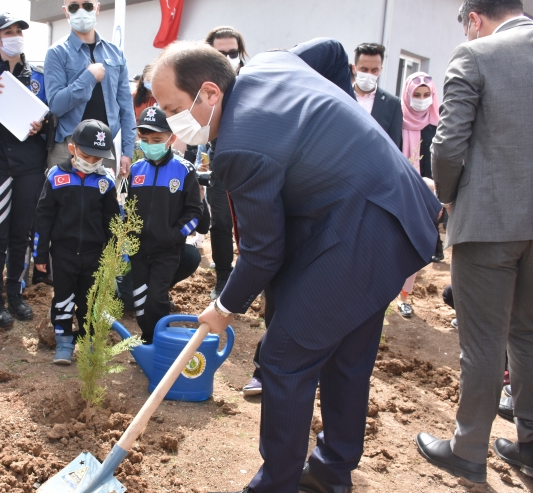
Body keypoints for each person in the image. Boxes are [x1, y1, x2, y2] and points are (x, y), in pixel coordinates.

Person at [150, 41, 440, 493]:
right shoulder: (270, 63)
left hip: (359, 231)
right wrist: (348, 124)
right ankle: (331, 471)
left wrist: (224, 307)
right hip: (390, 208)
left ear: (209, 93)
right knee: (347, 356)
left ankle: (277, 484)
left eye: (173, 109)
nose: (171, 126)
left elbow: (264, 252)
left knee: (284, 357)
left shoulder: (240, 147)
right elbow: (329, 51)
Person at [416, 0, 533, 483]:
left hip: (488, 219)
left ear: (474, 19)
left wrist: (444, 196)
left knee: (484, 341)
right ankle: (529, 442)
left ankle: (467, 449)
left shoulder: (477, 55)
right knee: (528, 334)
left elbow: (447, 143)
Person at [242, 38, 358, 397]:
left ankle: (311, 372)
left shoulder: (265, 84)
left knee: (328, 296)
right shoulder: (237, 122)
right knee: (279, 287)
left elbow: (333, 50)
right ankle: (269, 370)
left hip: (331, 207)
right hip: (286, 207)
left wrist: (279, 63)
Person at [0, 13, 49, 327]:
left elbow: (52, 114)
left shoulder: (40, 76)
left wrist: (43, 123)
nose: (15, 36)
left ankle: (15, 292)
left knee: (21, 236)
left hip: (30, 166)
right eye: (7, 32)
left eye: (19, 31)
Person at [33, 120, 119, 365]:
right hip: (63, 254)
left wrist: (113, 254)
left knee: (89, 300)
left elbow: (112, 221)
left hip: (95, 255)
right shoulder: (56, 177)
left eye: (97, 159)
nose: (91, 163)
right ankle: (63, 341)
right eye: (86, 156)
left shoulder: (105, 182)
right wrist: (40, 256)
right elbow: (43, 219)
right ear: (72, 149)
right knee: (63, 298)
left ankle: (89, 340)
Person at [128, 106, 202, 344]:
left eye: (157, 139)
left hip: (167, 251)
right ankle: (147, 338)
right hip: (138, 251)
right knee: (140, 299)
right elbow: (127, 209)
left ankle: (158, 341)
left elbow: (195, 212)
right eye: (145, 139)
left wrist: (174, 235)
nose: (150, 144)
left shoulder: (184, 170)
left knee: (156, 298)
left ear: (172, 138)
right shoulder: (135, 170)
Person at [44, 0, 135, 178]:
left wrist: (127, 151)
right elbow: (56, 105)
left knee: (105, 204)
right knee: (64, 203)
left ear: (97, 8)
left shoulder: (115, 53)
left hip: (106, 146)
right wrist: (89, 77)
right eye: (73, 7)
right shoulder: (56, 52)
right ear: (65, 11)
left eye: (87, 6)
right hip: (69, 146)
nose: (81, 11)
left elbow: (126, 107)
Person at [200, 26, 249, 300]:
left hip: (251, 160)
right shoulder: (202, 86)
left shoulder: (252, 80)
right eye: (221, 53)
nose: (228, 58)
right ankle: (223, 279)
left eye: (233, 53)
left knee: (254, 222)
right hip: (220, 159)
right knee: (220, 222)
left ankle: (257, 281)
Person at [395, 72, 442, 318]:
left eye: (426, 95)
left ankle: (404, 296)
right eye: (416, 95)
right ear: (407, 94)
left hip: (424, 196)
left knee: (414, 247)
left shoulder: (436, 127)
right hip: (396, 190)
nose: (421, 100)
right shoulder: (396, 120)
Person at [352, 43, 402, 149]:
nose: (369, 74)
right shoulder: (340, 95)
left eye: (374, 70)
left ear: (381, 70)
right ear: (354, 68)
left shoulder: (392, 104)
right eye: (364, 70)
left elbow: (393, 148)